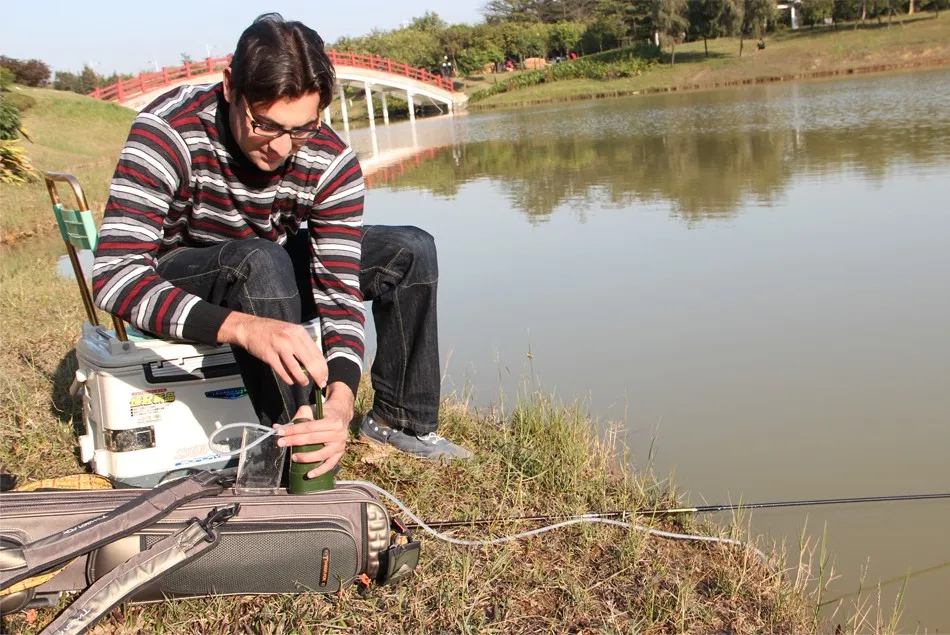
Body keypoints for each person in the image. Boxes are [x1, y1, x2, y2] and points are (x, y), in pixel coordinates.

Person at [92, 13, 471, 482]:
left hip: (268, 265)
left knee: (410, 249)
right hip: (186, 272)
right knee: (259, 259)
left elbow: (338, 291)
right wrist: (243, 328)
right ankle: (292, 434)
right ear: (231, 86)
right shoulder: (167, 132)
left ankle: (396, 421)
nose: (283, 148)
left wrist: (343, 395)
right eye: (265, 125)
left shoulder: (329, 160)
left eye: (303, 128)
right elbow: (114, 276)